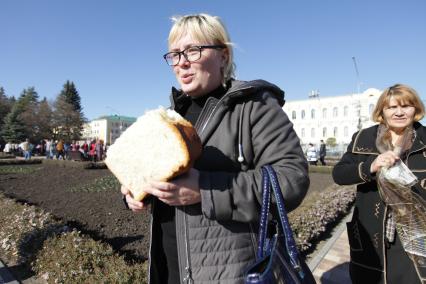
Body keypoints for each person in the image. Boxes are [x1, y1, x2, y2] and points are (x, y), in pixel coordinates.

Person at [121, 13, 310, 283]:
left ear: (223, 55)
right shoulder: (171, 117)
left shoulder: (254, 106)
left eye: (193, 50)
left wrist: (205, 189)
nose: (181, 62)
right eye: (174, 54)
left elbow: (292, 179)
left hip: (231, 271)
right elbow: (159, 176)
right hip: (170, 268)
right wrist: (136, 191)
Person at [332, 84, 425, 284]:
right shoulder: (364, 138)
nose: (399, 112)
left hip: (415, 234)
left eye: (406, 106)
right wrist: (370, 166)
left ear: (416, 109)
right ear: (382, 111)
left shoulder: (424, 139)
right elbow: (339, 174)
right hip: (371, 234)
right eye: (392, 107)